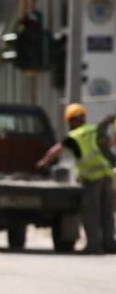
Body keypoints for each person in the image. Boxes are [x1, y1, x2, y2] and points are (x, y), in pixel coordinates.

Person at [36, 104, 116, 254]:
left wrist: (43, 162)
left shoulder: (74, 136)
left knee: (91, 214)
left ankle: (93, 246)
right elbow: (111, 142)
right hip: (107, 176)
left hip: (92, 179)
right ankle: (110, 244)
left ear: (71, 121)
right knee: (107, 213)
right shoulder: (94, 130)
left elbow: (56, 150)